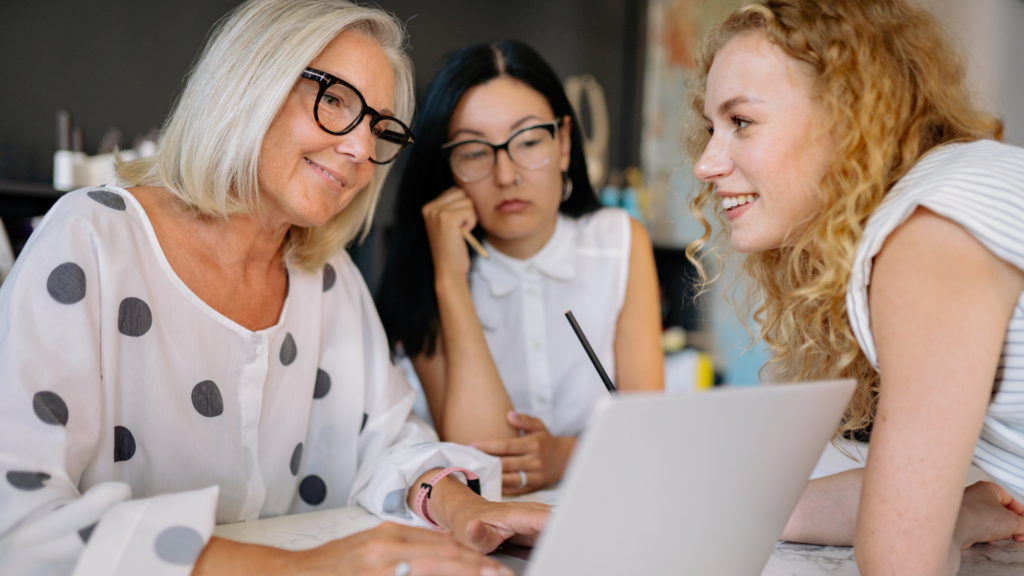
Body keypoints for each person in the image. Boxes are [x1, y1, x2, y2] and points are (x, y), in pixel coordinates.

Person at [0, 1, 547, 574]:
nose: (361, 152)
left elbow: (387, 443)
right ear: (252, 80)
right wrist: (297, 567)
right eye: (335, 100)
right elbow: (18, 516)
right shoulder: (92, 238)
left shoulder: (329, 280)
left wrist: (468, 510)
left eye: (379, 128)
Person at [685, 0, 1024, 573]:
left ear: (848, 115)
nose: (706, 163)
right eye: (711, 128)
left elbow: (899, 558)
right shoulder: (953, 189)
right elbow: (900, 497)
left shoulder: (931, 233)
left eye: (740, 122)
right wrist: (566, 514)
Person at [376, 41, 664, 495]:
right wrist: (450, 280)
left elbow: (648, 432)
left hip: (608, 509)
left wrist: (568, 456)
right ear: (446, 166)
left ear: (565, 143)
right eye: (473, 152)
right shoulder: (428, 267)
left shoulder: (620, 243)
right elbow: (484, 461)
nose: (506, 175)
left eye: (529, 141)